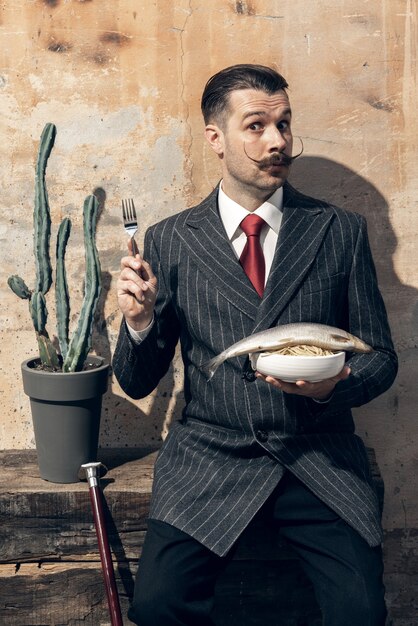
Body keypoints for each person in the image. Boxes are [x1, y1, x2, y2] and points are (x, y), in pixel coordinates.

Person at [113, 64, 398, 626]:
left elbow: (382, 360)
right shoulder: (171, 239)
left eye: (285, 124)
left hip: (317, 457)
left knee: (360, 612)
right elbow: (137, 380)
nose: (277, 141)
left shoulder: (338, 230)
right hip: (211, 457)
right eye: (257, 126)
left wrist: (334, 385)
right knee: (157, 606)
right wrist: (140, 321)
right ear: (215, 139)